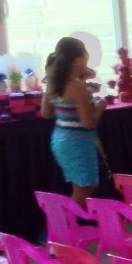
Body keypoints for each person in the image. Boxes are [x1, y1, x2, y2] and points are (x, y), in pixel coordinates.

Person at [41, 36, 108, 207]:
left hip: (60, 140)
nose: (87, 57)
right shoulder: (78, 88)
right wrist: (99, 107)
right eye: (85, 54)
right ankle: (63, 220)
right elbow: (88, 123)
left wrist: (67, 111)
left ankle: (67, 220)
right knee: (85, 188)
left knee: (80, 186)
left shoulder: (54, 83)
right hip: (78, 143)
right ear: (78, 59)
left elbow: (46, 113)